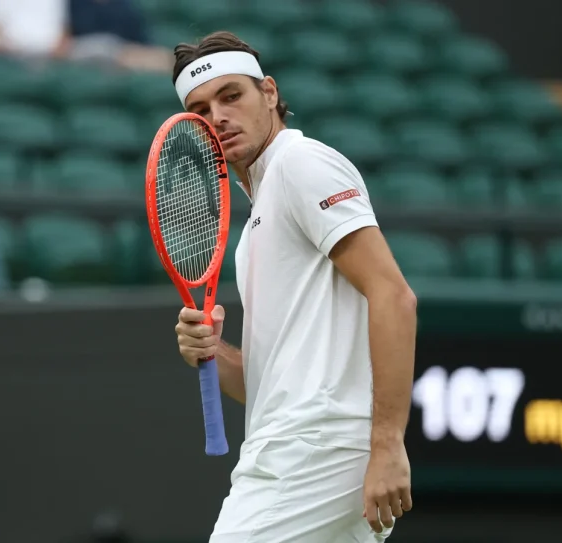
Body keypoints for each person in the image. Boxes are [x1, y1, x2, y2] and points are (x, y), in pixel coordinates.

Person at [172, 31, 418, 542]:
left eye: (231, 95)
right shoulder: (259, 214)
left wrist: (389, 443)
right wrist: (215, 354)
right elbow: (269, 384)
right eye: (201, 108)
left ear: (268, 93)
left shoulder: (300, 165)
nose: (217, 116)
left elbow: (393, 295)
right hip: (303, 443)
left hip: (315, 447)